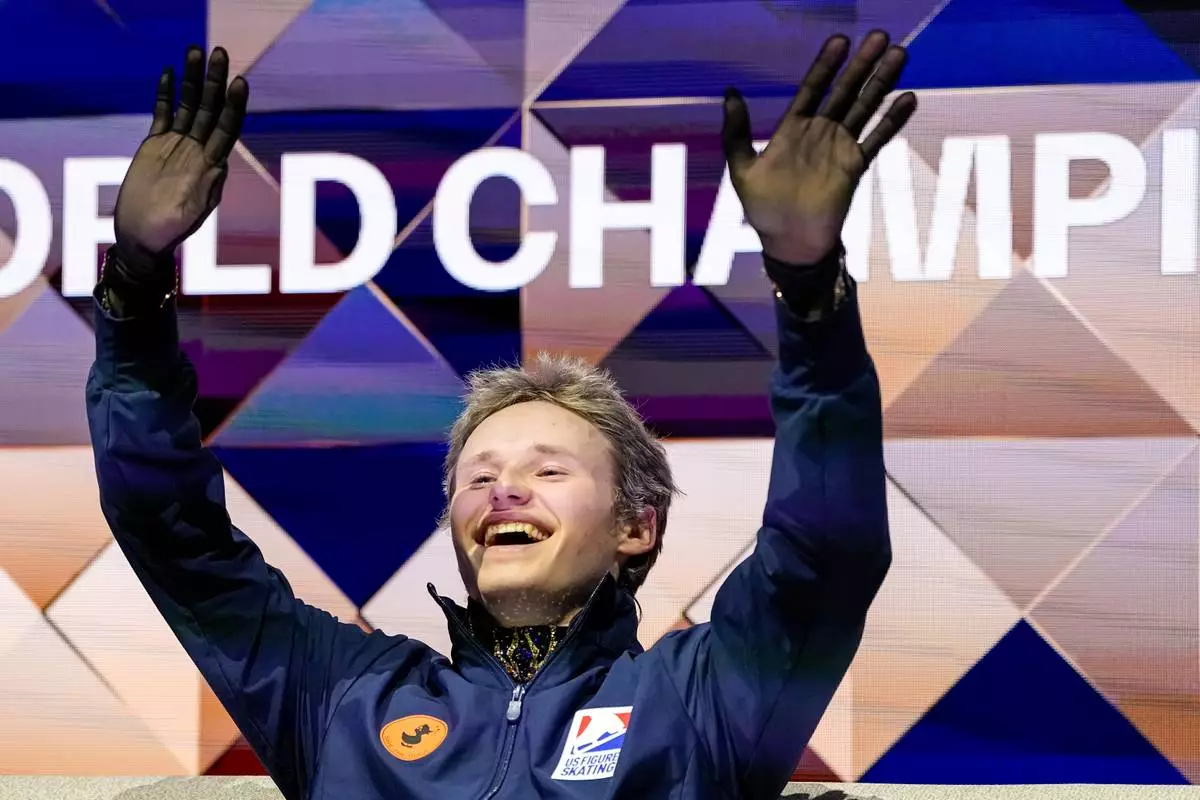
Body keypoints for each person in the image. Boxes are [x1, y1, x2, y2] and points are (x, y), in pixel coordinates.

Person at [86, 31, 915, 800]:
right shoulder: (339, 693)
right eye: (479, 477)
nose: (503, 493)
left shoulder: (703, 700)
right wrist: (133, 285)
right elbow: (173, 533)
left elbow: (823, 553)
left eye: (547, 470)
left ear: (637, 527)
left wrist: (809, 293)